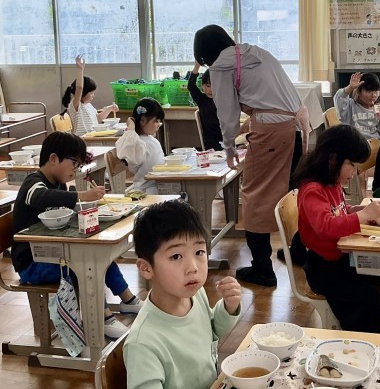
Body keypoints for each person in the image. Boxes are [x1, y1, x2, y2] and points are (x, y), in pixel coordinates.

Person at [193, 24, 310, 288]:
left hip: (272, 132)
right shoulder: (256, 52)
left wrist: (229, 147)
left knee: (256, 196)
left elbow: (227, 113)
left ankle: (262, 269)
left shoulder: (221, 66)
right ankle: (299, 251)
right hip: (296, 126)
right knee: (294, 192)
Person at [11, 131, 141, 339]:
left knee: (99, 258)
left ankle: (128, 300)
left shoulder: (58, 184)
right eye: (74, 163)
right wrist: (80, 195)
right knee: (85, 267)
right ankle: (103, 318)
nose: (76, 169)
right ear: (54, 158)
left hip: (54, 254)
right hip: (32, 264)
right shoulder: (34, 182)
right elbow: (38, 196)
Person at [124, 200, 242, 389]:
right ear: (146, 268)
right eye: (176, 256)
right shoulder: (143, 343)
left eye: (199, 252)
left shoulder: (195, 294)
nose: (193, 267)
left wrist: (228, 307)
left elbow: (212, 330)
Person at [294, 125, 380, 333]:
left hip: (340, 260)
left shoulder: (332, 183)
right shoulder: (312, 190)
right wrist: (362, 216)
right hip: (323, 269)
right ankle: (363, 341)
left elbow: (339, 212)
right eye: (352, 165)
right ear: (333, 159)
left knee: (379, 274)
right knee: (368, 298)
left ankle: (373, 334)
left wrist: (356, 210)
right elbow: (326, 226)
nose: (355, 172)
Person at [115, 98, 165, 194]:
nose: (159, 124)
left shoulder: (150, 140)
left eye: (159, 121)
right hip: (147, 191)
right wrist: (131, 126)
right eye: (156, 121)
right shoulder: (137, 143)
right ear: (142, 120)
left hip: (158, 186)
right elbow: (130, 149)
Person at [61, 55, 119, 136]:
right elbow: (79, 88)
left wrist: (110, 109)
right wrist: (80, 69)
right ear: (83, 93)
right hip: (83, 139)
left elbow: (98, 119)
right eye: (91, 93)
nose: (93, 95)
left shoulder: (88, 105)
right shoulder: (76, 105)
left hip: (91, 138)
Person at [334, 72, 380, 140]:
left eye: (376, 91)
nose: (373, 95)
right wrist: (350, 87)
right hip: (356, 143)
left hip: (376, 143)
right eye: (368, 91)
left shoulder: (377, 108)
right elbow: (339, 98)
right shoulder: (350, 106)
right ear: (358, 92)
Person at [188, 62, 223, 151]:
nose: (211, 90)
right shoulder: (201, 99)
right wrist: (196, 67)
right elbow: (191, 86)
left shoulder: (223, 99)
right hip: (211, 141)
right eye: (208, 86)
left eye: (215, 86)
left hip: (225, 137)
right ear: (203, 85)